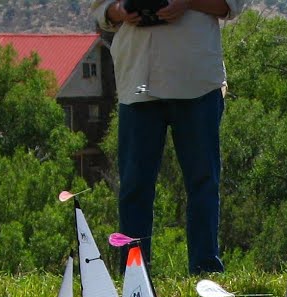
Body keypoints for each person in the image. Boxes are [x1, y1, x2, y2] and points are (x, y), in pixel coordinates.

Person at [94, 0, 242, 273]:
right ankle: (133, 277)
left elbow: (229, 6)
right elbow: (102, 11)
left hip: (197, 81)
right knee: (134, 187)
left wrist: (187, 2)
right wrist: (122, 10)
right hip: (137, 80)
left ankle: (205, 273)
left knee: (202, 182)